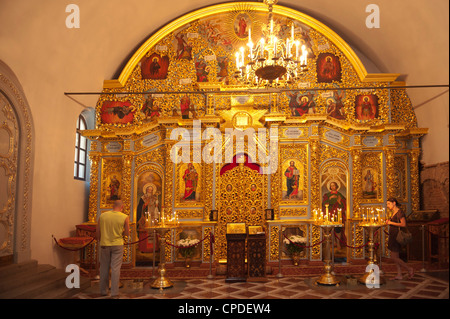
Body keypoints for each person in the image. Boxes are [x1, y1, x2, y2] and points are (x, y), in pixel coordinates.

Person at [96, 200, 130, 298]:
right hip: (117, 244)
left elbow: (98, 231)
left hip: (104, 244)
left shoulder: (102, 216)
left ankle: (103, 291)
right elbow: (127, 233)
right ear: (122, 207)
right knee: (115, 268)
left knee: (103, 268)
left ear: (112, 206)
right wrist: (120, 234)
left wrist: (100, 241)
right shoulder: (124, 217)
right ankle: (114, 292)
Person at [385, 197, 414, 280]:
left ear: (394, 203)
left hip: (397, 236)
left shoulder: (399, 212)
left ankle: (409, 269)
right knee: (395, 257)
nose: (387, 206)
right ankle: (399, 274)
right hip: (393, 235)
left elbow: (403, 224)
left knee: (394, 257)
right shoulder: (394, 212)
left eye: (389, 204)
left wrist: (391, 222)